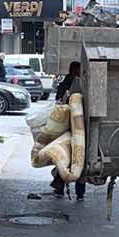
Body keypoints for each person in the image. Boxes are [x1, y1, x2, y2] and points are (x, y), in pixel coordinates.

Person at [51, 61, 85, 199]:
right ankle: (78, 192)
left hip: (72, 128)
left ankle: (60, 187)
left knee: (69, 158)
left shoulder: (67, 84)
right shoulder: (74, 84)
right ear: (73, 71)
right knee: (77, 159)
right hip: (75, 128)